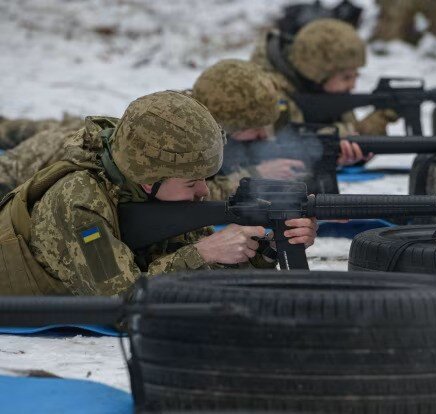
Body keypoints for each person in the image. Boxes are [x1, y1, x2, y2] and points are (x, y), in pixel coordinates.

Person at [0, 91, 317, 296]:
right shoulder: (78, 200)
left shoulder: (145, 195)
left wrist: (269, 247)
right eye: (192, 182)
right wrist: (202, 253)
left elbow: (203, 280)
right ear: (150, 180)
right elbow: (122, 304)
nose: (204, 191)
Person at [192, 59, 369, 198]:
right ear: (222, 125)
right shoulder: (184, 135)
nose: (263, 134)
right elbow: (191, 196)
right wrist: (254, 176)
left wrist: (329, 157)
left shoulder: (246, 123)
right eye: (254, 128)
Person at [251, 18, 399, 143]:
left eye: (356, 76)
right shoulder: (269, 92)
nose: (353, 85)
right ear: (317, 73)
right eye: (346, 77)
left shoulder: (328, 94)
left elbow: (354, 149)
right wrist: (355, 131)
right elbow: (293, 144)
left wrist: (379, 120)